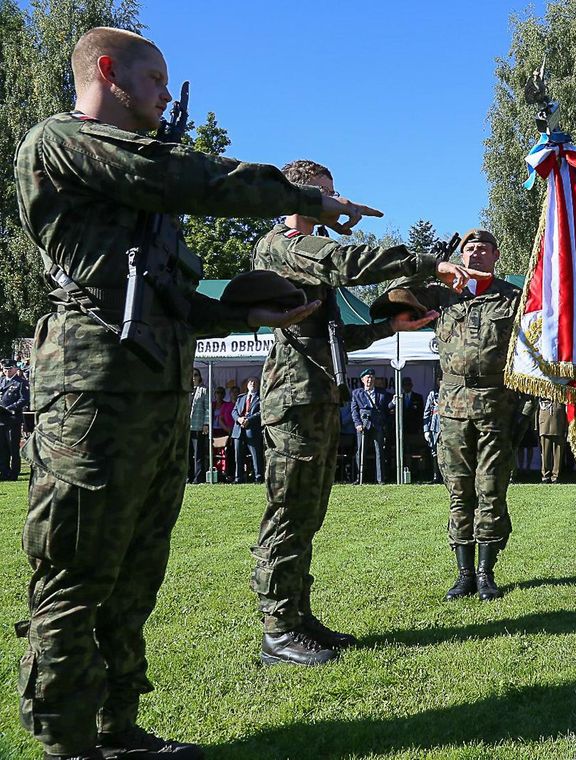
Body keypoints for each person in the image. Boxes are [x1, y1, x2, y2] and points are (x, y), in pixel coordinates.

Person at [12, 25, 372, 760]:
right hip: (93, 392)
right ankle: (67, 742)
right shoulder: (62, 142)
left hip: (154, 392)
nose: (163, 97)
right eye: (153, 82)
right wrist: (302, 196)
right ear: (108, 72)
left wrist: (246, 312)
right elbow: (182, 178)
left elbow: (169, 294)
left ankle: (116, 731)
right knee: (78, 572)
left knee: (135, 573)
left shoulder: (145, 182)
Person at [251, 158, 473, 666]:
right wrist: (424, 263)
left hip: (317, 397)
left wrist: (387, 328)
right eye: (326, 194)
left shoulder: (307, 249)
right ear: (301, 195)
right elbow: (346, 262)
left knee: (307, 515)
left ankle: (298, 618)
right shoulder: (285, 245)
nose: (336, 202)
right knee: (288, 514)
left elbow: (330, 336)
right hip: (294, 400)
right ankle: (278, 630)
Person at [379, 228, 522, 601]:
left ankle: (486, 572)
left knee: (490, 488)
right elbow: (392, 297)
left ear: (496, 255)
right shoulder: (441, 294)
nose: (475, 254)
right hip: (453, 404)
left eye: (483, 249)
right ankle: (463, 574)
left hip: (495, 403)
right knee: (459, 490)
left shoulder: (513, 298)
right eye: (469, 249)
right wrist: (430, 267)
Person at [351, 368, 385, 484]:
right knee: (360, 451)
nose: (369, 380)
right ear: (362, 380)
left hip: (377, 424)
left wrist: (394, 402)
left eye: (371, 377)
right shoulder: (357, 393)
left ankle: (380, 479)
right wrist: (358, 424)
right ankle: (359, 478)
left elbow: (386, 407)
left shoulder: (381, 393)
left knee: (379, 452)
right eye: (367, 378)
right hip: (363, 424)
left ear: (374, 379)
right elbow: (354, 411)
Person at [0, 357, 30, 480]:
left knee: (13, 448)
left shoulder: (21, 382)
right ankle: (4, 471)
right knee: (2, 448)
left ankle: (14, 473)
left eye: (9, 368)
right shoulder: (1, 381)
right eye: (5, 368)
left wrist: (11, 407)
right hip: (1, 420)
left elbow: (24, 399)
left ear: (16, 368)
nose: (7, 371)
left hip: (12, 419)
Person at [231, 376, 263, 483]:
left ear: (258, 385)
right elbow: (234, 411)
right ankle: (238, 478)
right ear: (247, 384)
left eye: (255, 382)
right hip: (238, 430)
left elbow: (261, 413)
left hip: (252, 430)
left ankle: (258, 477)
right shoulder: (241, 398)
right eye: (250, 381)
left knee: (255, 455)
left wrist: (249, 420)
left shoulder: (260, 398)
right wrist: (239, 419)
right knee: (238, 456)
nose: (252, 383)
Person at [186, 367, 209, 484]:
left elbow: (208, 408)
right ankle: (188, 477)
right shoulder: (186, 390)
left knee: (198, 454)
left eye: (196, 375)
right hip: (185, 427)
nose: (193, 377)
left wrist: (206, 423)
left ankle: (198, 478)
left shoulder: (204, 390)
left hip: (198, 426)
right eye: (192, 375)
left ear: (199, 377)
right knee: (187, 454)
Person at [537, 398, 567, 484]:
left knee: (558, 453)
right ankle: (546, 476)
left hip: (558, 424)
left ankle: (555, 476)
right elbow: (537, 411)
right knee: (545, 453)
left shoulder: (561, 395)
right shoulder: (542, 393)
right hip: (545, 425)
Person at [424, 379, 442, 483]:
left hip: (448, 426)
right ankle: (436, 476)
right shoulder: (433, 394)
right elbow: (426, 412)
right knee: (434, 451)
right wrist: (426, 430)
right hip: (435, 426)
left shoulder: (453, 391)